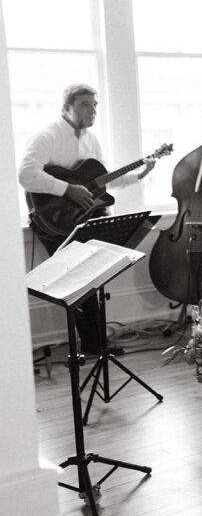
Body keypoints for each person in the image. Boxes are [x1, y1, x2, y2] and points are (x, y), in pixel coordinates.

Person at [18, 83, 154, 354]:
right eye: (84, 105)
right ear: (66, 108)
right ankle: (94, 343)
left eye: (94, 105)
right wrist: (67, 189)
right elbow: (26, 175)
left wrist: (138, 176)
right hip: (52, 219)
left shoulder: (91, 140)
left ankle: (96, 343)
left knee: (93, 278)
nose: (92, 110)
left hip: (82, 217)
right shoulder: (47, 137)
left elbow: (100, 183)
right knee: (75, 280)